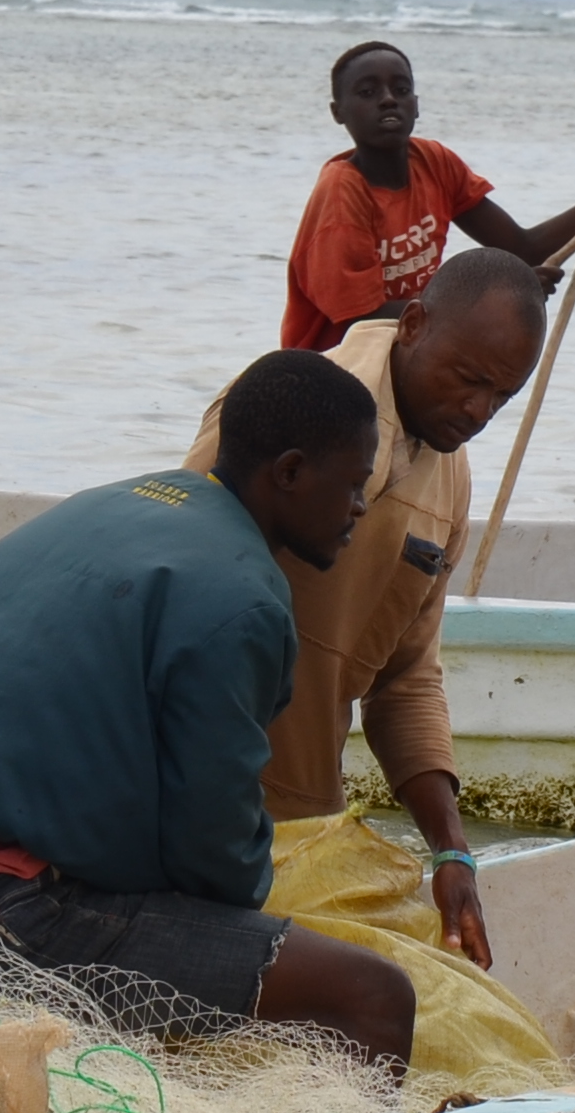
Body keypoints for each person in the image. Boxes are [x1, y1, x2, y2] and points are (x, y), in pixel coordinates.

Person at [0, 353, 421, 1064]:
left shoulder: (94, 510)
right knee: (373, 997)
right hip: (5, 918)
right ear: (292, 471)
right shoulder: (244, 596)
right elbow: (214, 855)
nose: (360, 512)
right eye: (356, 486)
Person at [178, 246, 544, 965]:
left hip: (300, 820)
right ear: (412, 324)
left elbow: (406, 680)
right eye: (468, 380)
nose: (478, 412)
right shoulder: (298, 405)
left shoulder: (451, 476)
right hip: (194, 803)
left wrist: (454, 855)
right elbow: (173, 578)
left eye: (501, 397)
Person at [281, 39, 575, 353]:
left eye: (400, 88)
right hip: (335, 368)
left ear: (417, 105)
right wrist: (487, 299)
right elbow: (362, 320)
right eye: (368, 92)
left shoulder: (435, 163)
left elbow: (524, 247)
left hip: (403, 355)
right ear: (338, 112)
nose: (388, 99)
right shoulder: (341, 192)